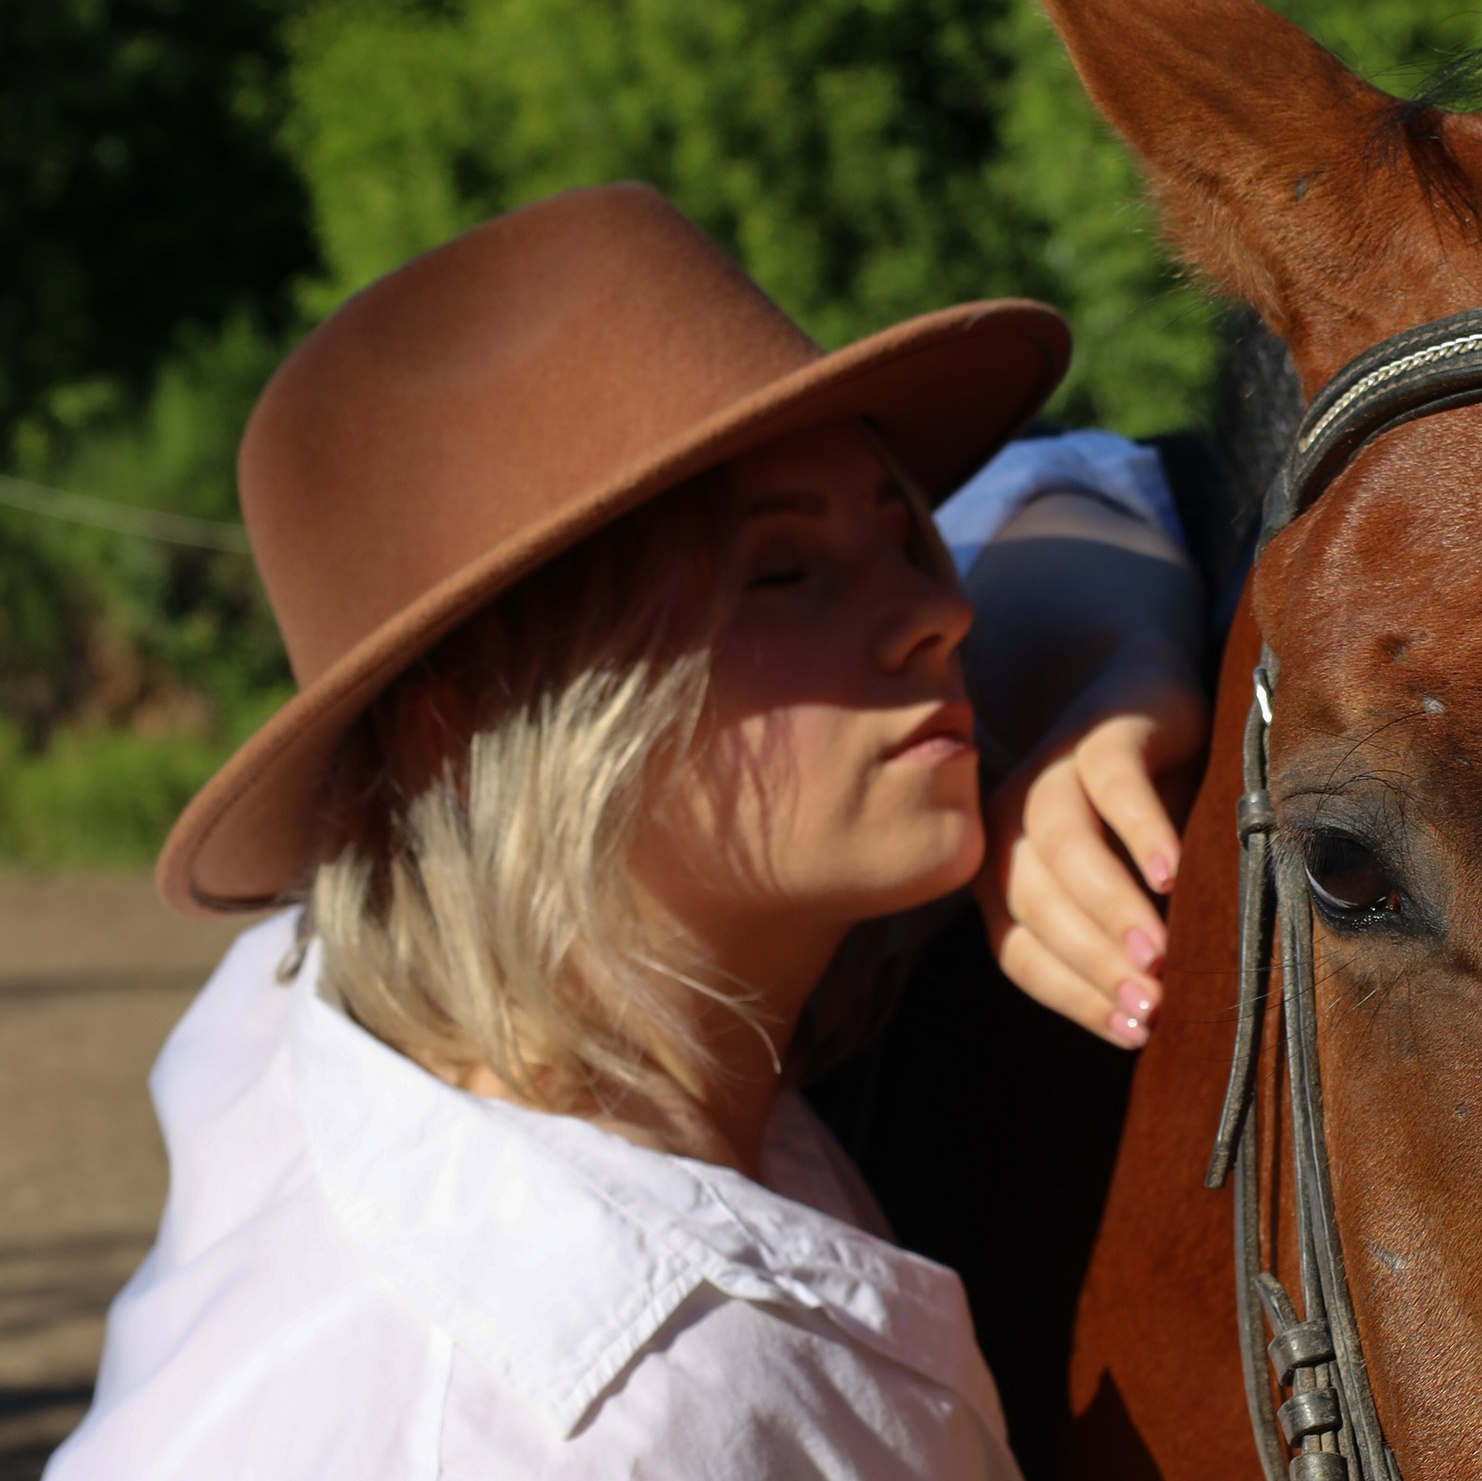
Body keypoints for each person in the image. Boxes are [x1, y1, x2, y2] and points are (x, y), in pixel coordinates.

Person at [45, 183, 1203, 1480]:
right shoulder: (587, 1425)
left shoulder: (359, 992)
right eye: (780, 573)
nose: (937, 613)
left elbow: (1067, 478)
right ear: (472, 737)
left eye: (899, 527)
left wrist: (1109, 676)